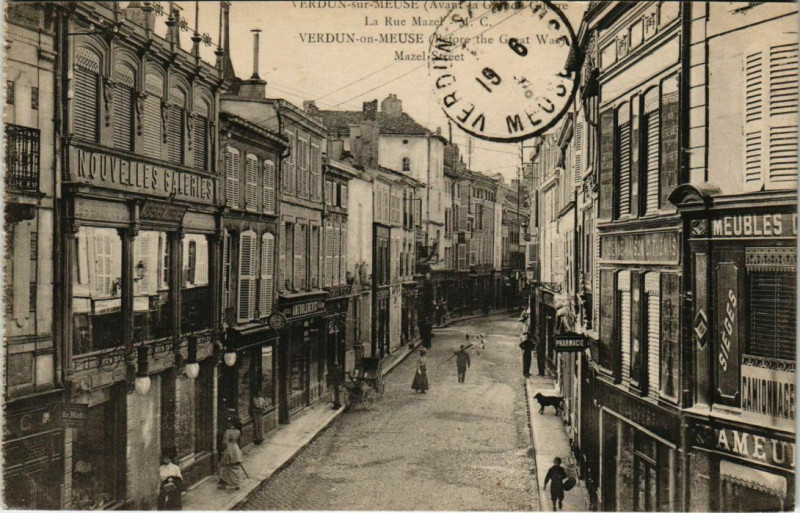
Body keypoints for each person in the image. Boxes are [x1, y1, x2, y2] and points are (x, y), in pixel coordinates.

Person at [218, 420, 245, 490]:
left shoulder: (228, 431)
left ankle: (232, 483)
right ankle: (233, 482)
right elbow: (240, 441)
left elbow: (225, 442)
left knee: (226, 465)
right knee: (233, 466)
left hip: (229, 449)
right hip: (236, 448)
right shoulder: (238, 431)